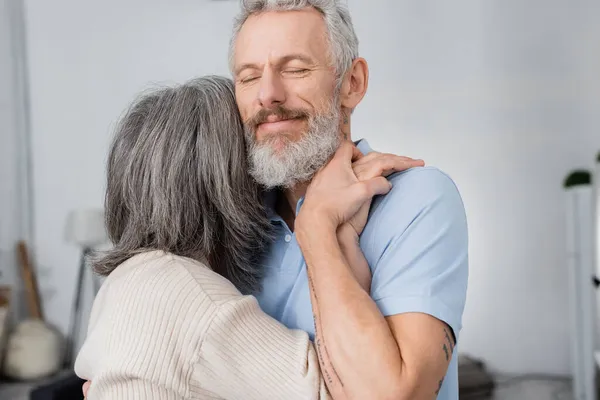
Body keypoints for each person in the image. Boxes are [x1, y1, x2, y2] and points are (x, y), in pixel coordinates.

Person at [75, 76, 423, 399]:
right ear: (224, 182)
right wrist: (330, 230)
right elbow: (346, 390)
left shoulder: (126, 283)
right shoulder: (188, 293)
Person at [231, 1, 469, 399]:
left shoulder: (420, 201)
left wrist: (317, 228)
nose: (268, 96)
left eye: (295, 69)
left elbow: (394, 395)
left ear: (352, 83)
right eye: (249, 76)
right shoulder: (230, 220)